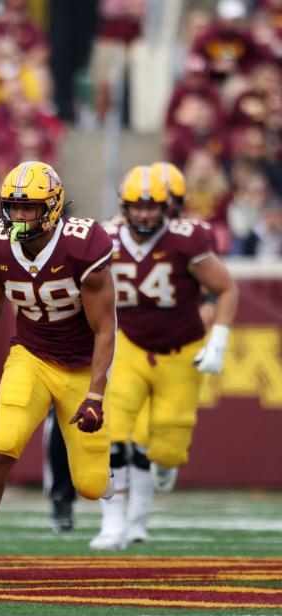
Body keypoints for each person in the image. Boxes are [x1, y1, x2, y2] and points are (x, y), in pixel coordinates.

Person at [0, 160, 117, 580]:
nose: (18, 216)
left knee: (91, 487)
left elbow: (106, 327)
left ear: (52, 208)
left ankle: (108, 469)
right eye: (13, 207)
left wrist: (95, 393)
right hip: (32, 356)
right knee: (2, 445)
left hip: (82, 363)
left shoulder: (83, 244)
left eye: (28, 208)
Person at [90, 166, 238, 550]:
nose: (143, 214)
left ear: (167, 206)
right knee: (114, 431)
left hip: (180, 350)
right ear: (123, 206)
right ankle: (114, 523)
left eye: (152, 206)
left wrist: (217, 341)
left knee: (167, 449)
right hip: (128, 345)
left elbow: (225, 289)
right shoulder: (104, 238)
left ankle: (139, 514)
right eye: (136, 206)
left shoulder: (187, 239)